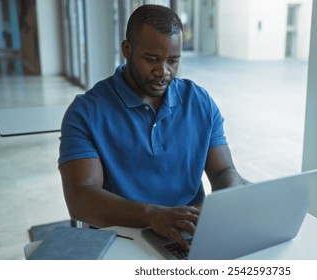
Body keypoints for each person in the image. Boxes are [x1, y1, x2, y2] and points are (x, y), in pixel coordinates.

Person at [58, 4, 248, 248]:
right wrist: (153, 215)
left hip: (188, 235)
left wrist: (226, 199)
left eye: (173, 61)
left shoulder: (200, 102)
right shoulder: (85, 112)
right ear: (127, 50)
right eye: (151, 59)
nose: (163, 71)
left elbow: (224, 172)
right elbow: (80, 198)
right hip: (121, 240)